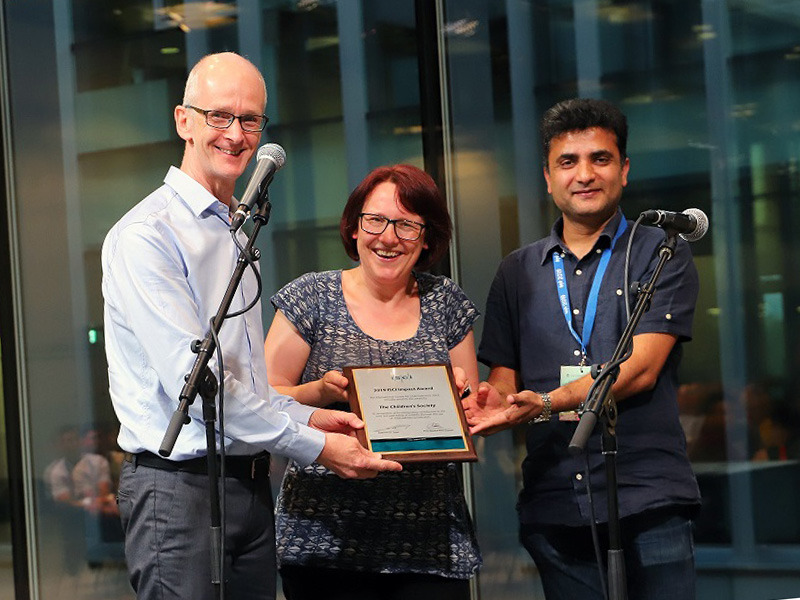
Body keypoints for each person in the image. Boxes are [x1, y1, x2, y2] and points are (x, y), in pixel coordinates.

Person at [101, 52, 401, 600]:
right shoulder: (147, 236)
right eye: (220, 116)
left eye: (251, 120)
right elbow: (201, 388)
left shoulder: (238, 233)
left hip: (251, 485)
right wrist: (312, 446)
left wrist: (312, 417)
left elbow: (247, 385)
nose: (237, 134)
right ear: (183, 121)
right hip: (177, 489)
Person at [464, 98, 701, 599]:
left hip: (648, 494)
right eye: (568, 162)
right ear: (548, 178)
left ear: (624, 170)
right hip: (556, 498)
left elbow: (639, 370)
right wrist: (495, 401)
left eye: (600, 158)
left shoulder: (661, 249)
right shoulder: (517, 271)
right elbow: (507, 376)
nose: (585, 174)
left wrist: (548, 401)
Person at [264, 164, 482, 600]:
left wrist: (461, 399)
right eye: (376, 220)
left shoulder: (447, 302)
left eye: (406, 224)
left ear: (426, 236)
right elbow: (263, 400)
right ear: (355, 227)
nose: (388, 237)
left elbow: (471, 414)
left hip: (430, 544)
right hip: (322, 539)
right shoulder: (311, 297)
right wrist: (322, 392)